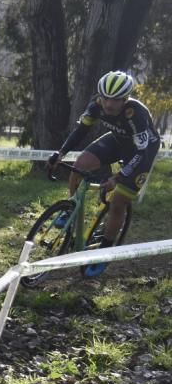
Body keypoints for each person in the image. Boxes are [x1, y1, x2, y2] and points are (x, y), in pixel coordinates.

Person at [47, 70, 159, 277]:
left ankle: (104, 251)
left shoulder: (136, 114)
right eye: (105, 97)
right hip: (117, 141)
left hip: (142, 153)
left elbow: (142, 152)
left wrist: (118, 177)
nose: (108, 104)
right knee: (81, 164)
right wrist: (61, 153)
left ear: (125, 99)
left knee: (118, 202)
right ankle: (70, 207)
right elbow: (81, 130)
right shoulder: (97, 105)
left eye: (115, 100)